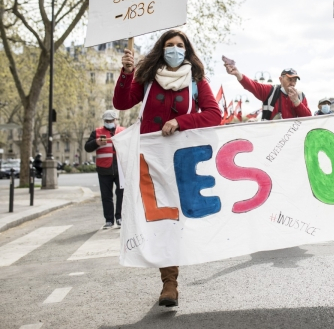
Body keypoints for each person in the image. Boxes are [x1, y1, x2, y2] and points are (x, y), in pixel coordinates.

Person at [113, 29, 221, 308]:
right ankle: (169, 283)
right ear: (161, 50)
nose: (175, 49)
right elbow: (121, 103)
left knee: (175, 219)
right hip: (149, 160)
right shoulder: (147, 78)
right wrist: (127, 73)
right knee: (161, 219)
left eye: (180, 45)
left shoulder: (197, 81)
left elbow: (214, 114)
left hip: (181, 161)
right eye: (169, 45)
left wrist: (182, 122)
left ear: (187, 50)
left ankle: (171, 278)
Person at [223, 58, 311, 120]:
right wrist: (237, 74)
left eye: (295, 80)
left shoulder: (300, 96)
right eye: (289, 79)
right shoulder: (270, 91)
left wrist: (296, 101)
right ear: (281, 79)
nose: (292, 83)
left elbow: (308, 119)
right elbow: (252, 85)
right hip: (270, 138)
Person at [84, 110, 125, 229]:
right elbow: (87, 147)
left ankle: (120, 217)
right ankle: (109, 220)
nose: (109, 123)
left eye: (111, 121)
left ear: (116, 120)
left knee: (121, 194)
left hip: (120, 169)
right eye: (107, 121)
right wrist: (96, 142)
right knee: (106, 196)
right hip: (104, 169)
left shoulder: (123, 131)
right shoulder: (97, 132)